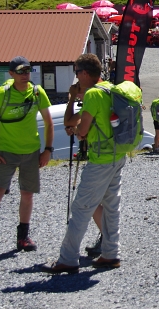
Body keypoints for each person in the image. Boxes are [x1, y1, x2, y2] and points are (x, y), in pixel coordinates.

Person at [44, 54, 128, 273]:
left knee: (81, 206)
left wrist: (72, 99)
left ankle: (68, 258)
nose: (76, 78)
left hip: (100, 158)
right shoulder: (110, 89)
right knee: (111, 206)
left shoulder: (92, 95)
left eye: (76, 72)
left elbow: (74, 125)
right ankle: (111, 253)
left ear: (83, 73)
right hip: (118, 154)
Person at [0, 56, 53, 256]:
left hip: (31, 152)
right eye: (20, 72)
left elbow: (49, 122)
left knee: (27, 194)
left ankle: (23, 237)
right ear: (11, 73)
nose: (24, 75)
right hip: (6, 152)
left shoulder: (37, 92)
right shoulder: (2, 94)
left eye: (27, 71)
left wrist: (47, 150)